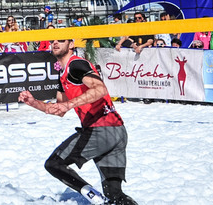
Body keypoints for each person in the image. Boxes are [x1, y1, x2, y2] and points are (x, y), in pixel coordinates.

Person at [18, 39, 137, 204]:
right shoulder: (64, 75)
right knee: (115, 196)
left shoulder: (76, 64)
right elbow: (59, 110)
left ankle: (97, 200)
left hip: (101, 130)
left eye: (61, 40)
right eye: (52, 40)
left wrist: (69, 103)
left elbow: (101, 89)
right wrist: (34, 103)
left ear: (71, 44)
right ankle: (104, 201)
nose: (55, 43)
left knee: (54, 164)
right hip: (117, 132)